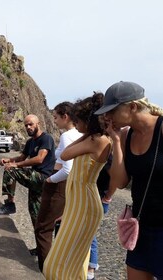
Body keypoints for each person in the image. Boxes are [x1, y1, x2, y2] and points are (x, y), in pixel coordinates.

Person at [94, 81, 163, 280]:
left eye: (112, 111)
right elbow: (120, 182)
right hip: (141, 227)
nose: (107, 117)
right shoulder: (125, 135)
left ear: (132, 107)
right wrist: (115, 140)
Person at [43, 92, 112, 280]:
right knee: (73, 265)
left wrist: (87, 132)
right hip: (80, 203)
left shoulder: (97, 140)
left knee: (54, 267)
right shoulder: (93, 138)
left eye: (79, 120)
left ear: (88, 122)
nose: (76, 124)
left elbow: (65, 155)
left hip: (85, 205)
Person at [34, 101, 82, 272]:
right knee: (59, 228)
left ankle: (46, 269)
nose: (53, 121)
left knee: (42, 228)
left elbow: (67, 169)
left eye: (55, 117)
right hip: (68, 186)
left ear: (65, 116)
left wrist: (50, 180)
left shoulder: (66, 136)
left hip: (58, 185)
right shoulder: (79, 134)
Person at [0, 114, 56, 243]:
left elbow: (39, 159)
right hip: (34, 179)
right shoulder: (30, 142)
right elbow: (22, 158)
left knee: (11, 170)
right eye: (26, 125)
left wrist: (14, 165)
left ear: (38, 124)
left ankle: (10, 204)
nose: (28, 127)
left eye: (31, 124)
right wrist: (9, 159)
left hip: (43, 178)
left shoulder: (46, 139)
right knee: (35, 214)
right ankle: (41, 248)